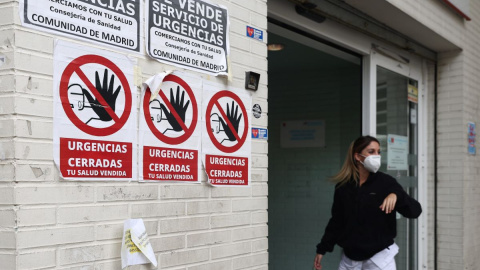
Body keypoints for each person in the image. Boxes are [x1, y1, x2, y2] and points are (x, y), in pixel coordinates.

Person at [313, 135, 422, 270]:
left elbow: (415, 211)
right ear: (358, 157)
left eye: (378, 152)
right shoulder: (343, 187)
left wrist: (396, 195)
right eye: (371, 152)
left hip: (380, 258)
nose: (376, 156)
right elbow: (337, 221)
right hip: (350, 259)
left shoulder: (386, 183)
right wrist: (323, 249)